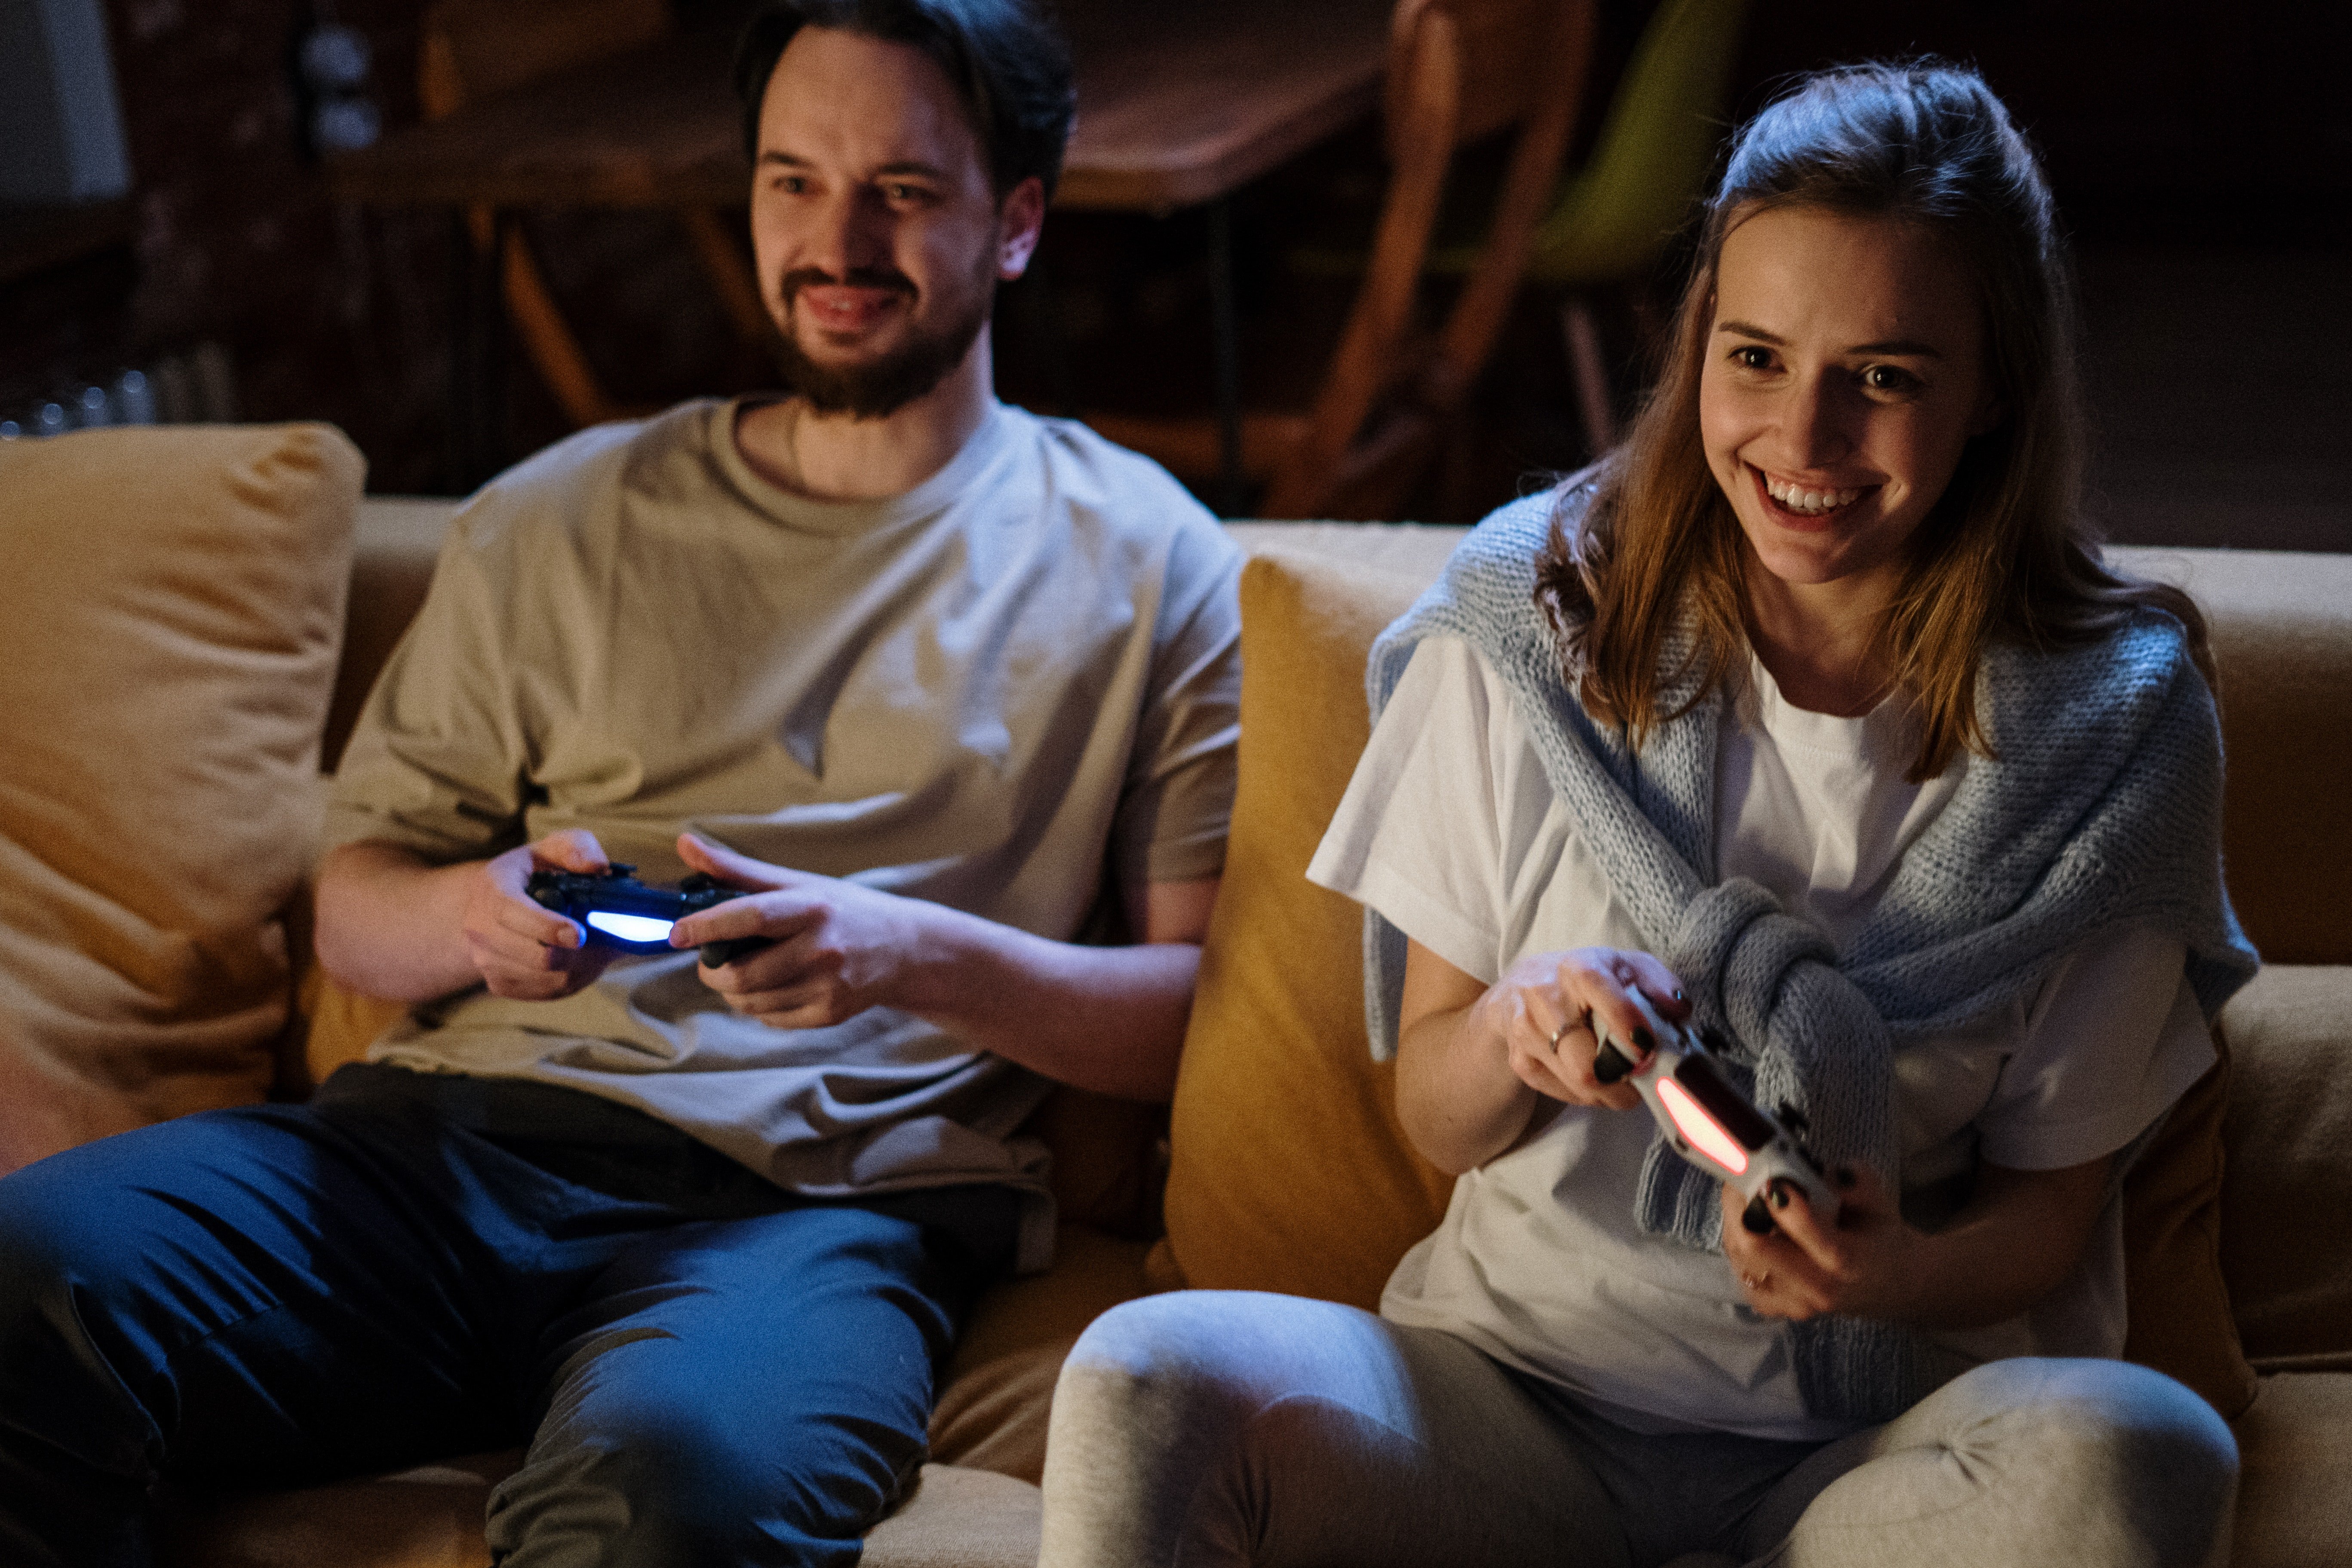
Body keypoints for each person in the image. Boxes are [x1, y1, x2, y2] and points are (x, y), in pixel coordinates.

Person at [0, 2, 1242, 1564]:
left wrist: (902, 954)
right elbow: (353, 909)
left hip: (807, 1223)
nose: (835, 239)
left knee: (669, 1490)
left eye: (904, 192)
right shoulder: (561, 515)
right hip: (435, 1159)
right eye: (792, 181)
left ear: (1017, 223)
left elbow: (1192, 1001)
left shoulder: (1149, 559)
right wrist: (471, 915)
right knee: (25, 1266)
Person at [1036, 61, 2255, 1568]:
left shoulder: (2111, 737)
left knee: (2150, 1452)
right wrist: (1512, 1036)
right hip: (1509, 1406)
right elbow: (1434, 1104)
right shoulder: (1533, 625)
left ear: (1993, 386)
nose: (1802, 444)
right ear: (1699, 353)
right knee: (1141, 1379)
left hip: (1876, 1452)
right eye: (1756, 358)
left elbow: (2050, 1220)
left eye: (1883, 376)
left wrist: (1896, 1268)